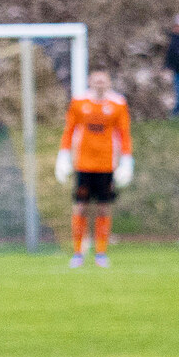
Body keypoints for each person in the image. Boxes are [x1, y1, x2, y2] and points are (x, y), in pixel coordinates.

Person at [55, 70, 133, 268]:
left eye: (103, 81)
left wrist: (126, 160)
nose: (99, 84)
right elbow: (69, 130)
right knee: (80, 207)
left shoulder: (118, 103)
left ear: (109, 83)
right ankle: (78, 252)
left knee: (104, 208)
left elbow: (124, 133)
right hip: (83, 164)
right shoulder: (79, 102)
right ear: (90, 82)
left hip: (107, 164)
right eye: (96, 81)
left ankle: (101, 253)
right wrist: (63, 157)